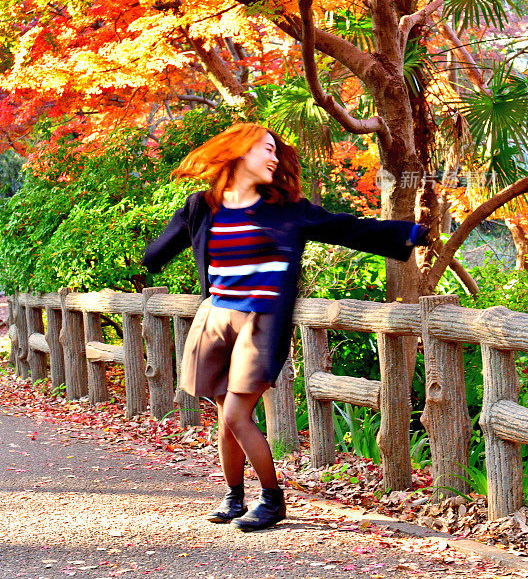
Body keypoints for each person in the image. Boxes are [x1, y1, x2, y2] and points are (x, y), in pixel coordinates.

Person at [142, 122, 428, 532]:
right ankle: (234, 495)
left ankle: (272, 500)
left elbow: (346, 227)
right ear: (239, 153)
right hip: (216, 316)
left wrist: (409, 234)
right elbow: (164, 247)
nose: (274, 157)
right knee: (225, 414)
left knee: (238, 414)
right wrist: (148, 260)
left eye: (277, 150)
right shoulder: (202, 206)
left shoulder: (287, 209)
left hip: (263, 320)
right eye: (266, 149)